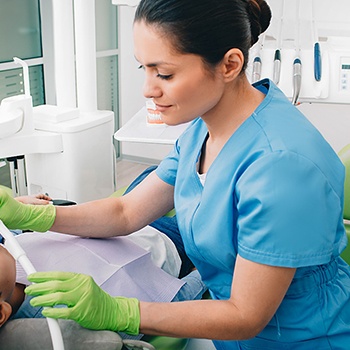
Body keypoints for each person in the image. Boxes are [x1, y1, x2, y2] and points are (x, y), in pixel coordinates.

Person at [1, 0, 350, 348]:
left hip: (300, 337)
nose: (148, 90)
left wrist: (120, 312)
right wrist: (34, 214)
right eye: (144, 69)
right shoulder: (205, 130)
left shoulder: (280, 169)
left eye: (164, 73)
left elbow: (245, 315)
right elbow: (126, 212)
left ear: (230, 64)